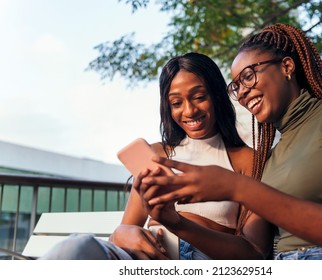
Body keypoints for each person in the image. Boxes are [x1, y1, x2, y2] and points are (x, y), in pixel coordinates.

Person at [137, 23, 322, 260]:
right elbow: (254, 250)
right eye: (236, 86)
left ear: (287, 66)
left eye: (248, 76)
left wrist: (236, 187)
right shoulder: (268, 159)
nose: (243, 92)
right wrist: (176, 223)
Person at [40, 52, 273, 260]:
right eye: (176, 103)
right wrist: (125, 234)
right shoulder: (157, 154)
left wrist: (178, 224)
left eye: (199, 97)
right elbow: (123, 230)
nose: (189, 111)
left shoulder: (248, 162)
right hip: (142, 256)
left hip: (196, 260)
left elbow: (254, 254)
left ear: (217, 96)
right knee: (78, 247)